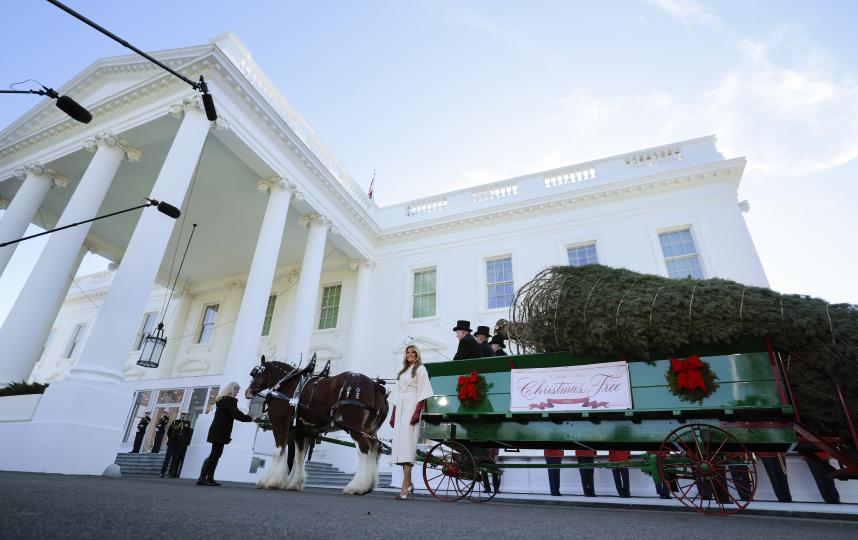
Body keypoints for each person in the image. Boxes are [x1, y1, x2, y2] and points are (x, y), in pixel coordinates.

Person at [389, 344, 434, 500]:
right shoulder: (402, 372)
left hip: (411, 407)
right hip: (400, 408)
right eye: (408, 352)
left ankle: (404, 489)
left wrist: (416, 413)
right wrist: (393, 415)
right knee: (401, 448)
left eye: (413, 352)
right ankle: (408, 484)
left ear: (417, 354)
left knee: (407, 449)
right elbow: (396, 395)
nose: (410, 354)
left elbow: (423, 393)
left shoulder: (420, 370)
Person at [197, 382, 256, 487]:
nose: (238, 392)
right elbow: (237, 415)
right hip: (220, 431)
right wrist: (251, 418)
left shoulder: (222, 400)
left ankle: (209, 478)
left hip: (218, 430)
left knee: (216, 455)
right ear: (232, 389)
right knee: (214, 455)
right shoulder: (229, 400)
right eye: (237, 390)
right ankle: (203, 478)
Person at [161, 413, 190, 478]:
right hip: (172, 442)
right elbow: (169, 431)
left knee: (175, 459)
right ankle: (162, 472)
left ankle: (170, 473)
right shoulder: (175, 421)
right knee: (167, 458)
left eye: (185, 414)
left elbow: (187, 434)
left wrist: (183, 441)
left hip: (179, 443)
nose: (183, 415)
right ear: (180, 415)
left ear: (186, 415)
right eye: (182, 414)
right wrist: (171, 437)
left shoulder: (187, 423)